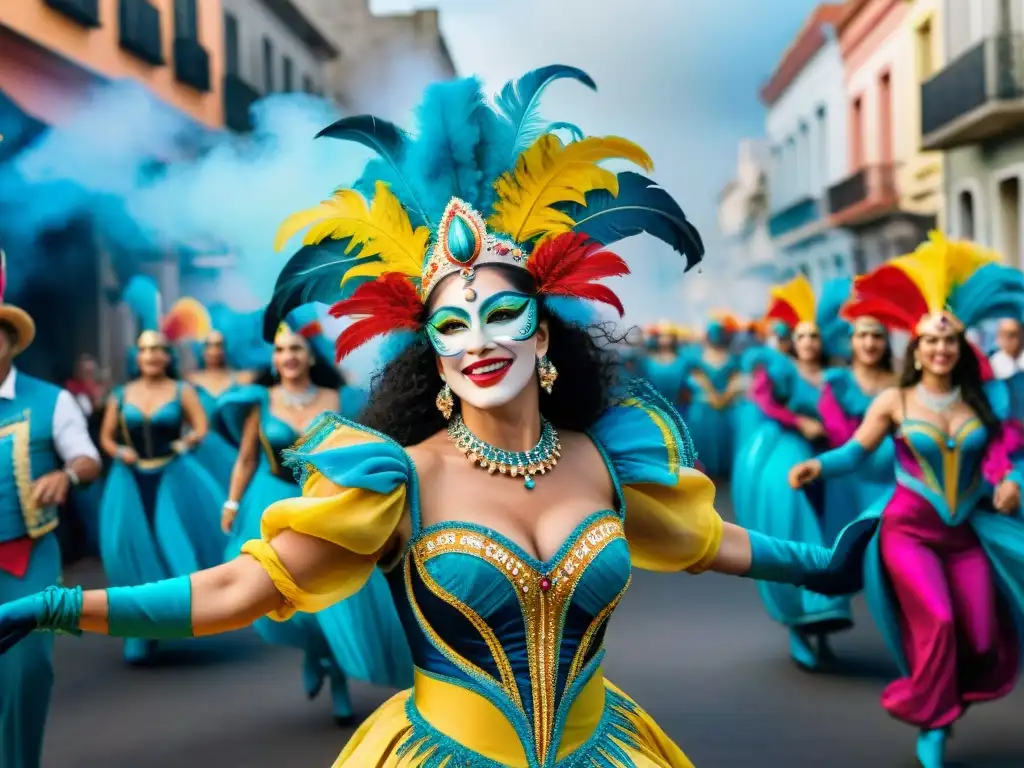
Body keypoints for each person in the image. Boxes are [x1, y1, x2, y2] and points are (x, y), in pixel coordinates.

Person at [0, 68, 873, 767]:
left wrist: (818, 565)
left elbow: (706, 540)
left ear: (547, 330)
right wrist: (62, 604)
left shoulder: (607, 460)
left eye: (503, 316)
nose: (480, 341)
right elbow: (239, 588)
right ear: (433, 357)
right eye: (452, 325)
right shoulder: (398, 478)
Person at [789, 233, 1024, 768]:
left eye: (949, 343)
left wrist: (1011, 481)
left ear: (961, 349)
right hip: (908, 533)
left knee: (983, 638)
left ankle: (943, 700)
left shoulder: (986, 399)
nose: (940, 350)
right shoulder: (894, 399)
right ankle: (935, 724)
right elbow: (853, 452)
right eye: (929, 342)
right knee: (937, 621)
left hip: (965, 536)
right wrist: (816, 465)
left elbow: (1009, 454)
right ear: (915, 349)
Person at [217, 303, 411, 723]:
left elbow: (361, 449)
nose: (288, 356)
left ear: (310, 356)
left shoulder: (338, 398)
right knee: (275, 594)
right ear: (274, 358)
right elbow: (247, 458)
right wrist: (232, 502)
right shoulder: (259, 400)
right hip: (270, 501)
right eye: (281, 349)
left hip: (324, 504)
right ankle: (315, 652)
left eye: (297, 349)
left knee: (332, 594)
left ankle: (337, 676)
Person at [0, 252, 102, 767]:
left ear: (10, 341)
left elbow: (88, 458)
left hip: (28, 555)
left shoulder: (50, 400)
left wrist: (66, 474)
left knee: (26, 670)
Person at [731, 275, 858, 671]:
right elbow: (765, 403)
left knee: (831, 533)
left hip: (829, 460)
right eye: (802, 337)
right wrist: (800, 424)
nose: (809, 343)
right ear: (793, 341)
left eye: (814, 337)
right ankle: (799, 626)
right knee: (794, 530)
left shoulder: (837, 379)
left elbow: (844, 423)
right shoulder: (779, 370)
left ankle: (820, 623)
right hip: (782, 452)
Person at [97, 281, 226, 664]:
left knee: (173, 547)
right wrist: (118, 450)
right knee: (128, 551)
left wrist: (185, 444)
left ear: (167, 355)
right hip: (129, 481)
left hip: (174, 477)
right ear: (136, 356)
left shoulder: (182, 390)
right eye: (145, 349)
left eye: (158, 349)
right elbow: (105, 436)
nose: (152, 355)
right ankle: (136, 630)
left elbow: (201, 428)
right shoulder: (120, 395)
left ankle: (168, 615)